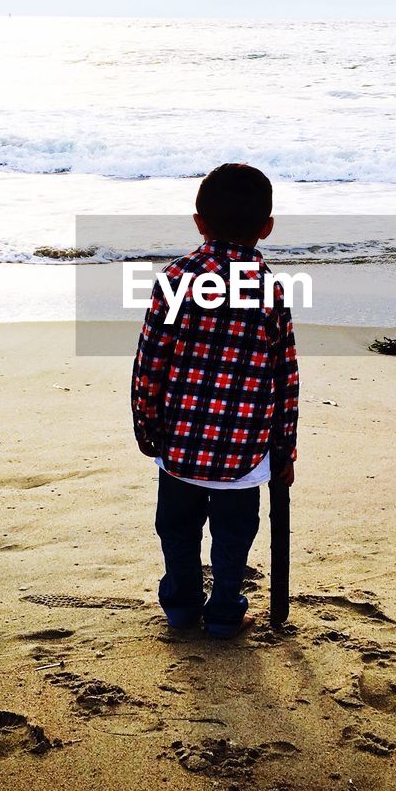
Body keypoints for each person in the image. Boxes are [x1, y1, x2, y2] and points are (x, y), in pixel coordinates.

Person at [131, 163, 300, 637]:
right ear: (266, 228)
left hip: (181, 443)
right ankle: (225, 612)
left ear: (199, 221)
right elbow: (284, 378)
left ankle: (182, 606)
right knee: (233, 537)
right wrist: (283, 452)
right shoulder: (270, 291)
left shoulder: (176, 278)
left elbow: (150, 363)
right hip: (244, 452)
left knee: (177, 530)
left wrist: (147, 427)